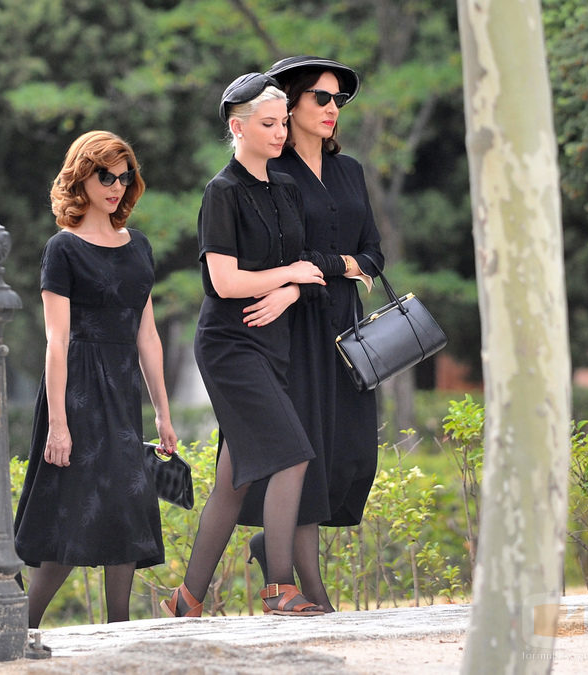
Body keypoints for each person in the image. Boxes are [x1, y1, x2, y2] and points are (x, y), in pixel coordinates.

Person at [162, 74, 327, 618]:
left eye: (282, 123)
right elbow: (226, 282)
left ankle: (186, 599)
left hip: (273, 340)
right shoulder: (221, 192)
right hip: (230, 345)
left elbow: (304, 273)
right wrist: (292, 275)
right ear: (238, 127)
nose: (280, 133)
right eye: (268, 124)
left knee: (233, 479)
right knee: (294, 454)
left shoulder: (286, 190)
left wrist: (290, 288)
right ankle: (279, 586)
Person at [13, 130, 179, 628]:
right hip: (77, 389)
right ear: (80, 176)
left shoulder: (139, 246)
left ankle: (119, 628)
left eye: (123, 177)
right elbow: (56, 342)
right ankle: (21, 624)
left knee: (127, 502)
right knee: (74, 510)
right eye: (105, 175)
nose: (115, 186)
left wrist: (164, 415)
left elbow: (147, 335)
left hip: (123, 387)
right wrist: (58, 424)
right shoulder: (61, 248)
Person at [242, 56, 384, 613]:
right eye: (321, 98)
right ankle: (309, 590)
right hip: (294, 329)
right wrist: (336, 266)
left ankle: (269, 543)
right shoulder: (272, 175)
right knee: (310, 454)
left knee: (351, 452)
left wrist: (333, 266)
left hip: (346, 328)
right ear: (291, 104)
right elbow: (282, 257)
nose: (331, 109)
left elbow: (372, 252)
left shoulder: (349, 173)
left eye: (337, 101)